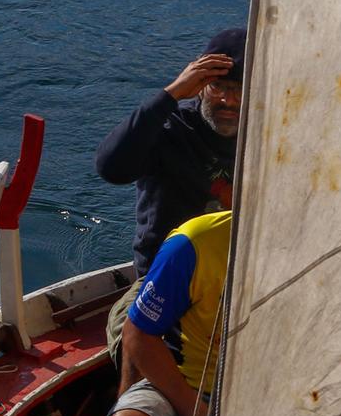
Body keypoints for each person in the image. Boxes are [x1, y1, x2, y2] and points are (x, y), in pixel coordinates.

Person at [81, 209, 299, 416]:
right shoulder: (194, 243)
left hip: (267, 399)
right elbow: (138, 333)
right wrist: (191, 408)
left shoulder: (329, 250)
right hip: (183, 384)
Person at [95, 26, 243, 383]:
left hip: (242, 286)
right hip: (164, 286)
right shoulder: (170, 130)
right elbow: (111, 167)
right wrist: (171, 95)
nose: (228, 101)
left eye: (240, 90)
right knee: (134, 338)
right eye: (218, 87)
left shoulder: (273, 132)